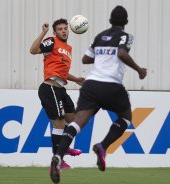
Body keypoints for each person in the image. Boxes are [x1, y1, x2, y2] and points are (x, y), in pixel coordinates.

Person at [49, 6, 147, 183]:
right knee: (125, 118)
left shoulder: (99, 37)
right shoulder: (125, 36)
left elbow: (86, 59)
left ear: (110, 20)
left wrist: (103, 57)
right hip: (112, 86)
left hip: (91, 85)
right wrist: (139, 70)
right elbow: (122, 53)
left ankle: (58, 155)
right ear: (125, 22)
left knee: (77, 123)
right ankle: (103, 146)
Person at [29, 18, 84, 170]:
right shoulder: (51, 41)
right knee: (59, 124)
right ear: (55, 32)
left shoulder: (69, 48)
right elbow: (33, 50)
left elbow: (62, 72)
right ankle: (58, 160)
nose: (64, 30)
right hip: (50, 88)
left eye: (65, 28)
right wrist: (44, 32)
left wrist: (77, 79)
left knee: (73, 120)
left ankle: (63, 148)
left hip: (60, 89)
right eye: (60, 29)